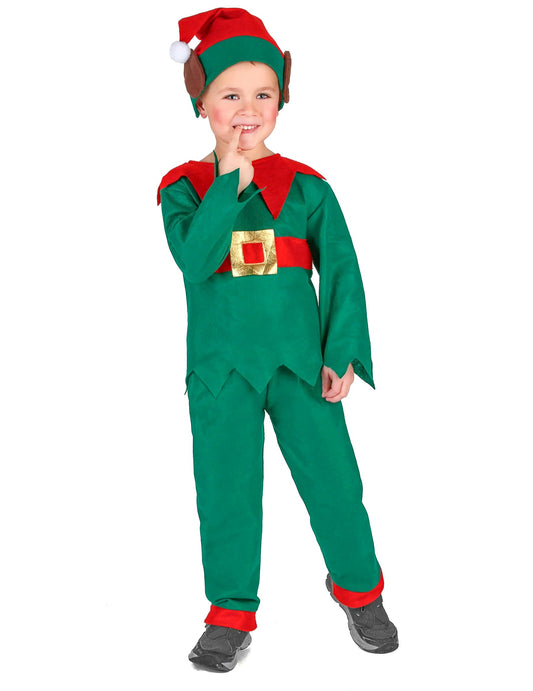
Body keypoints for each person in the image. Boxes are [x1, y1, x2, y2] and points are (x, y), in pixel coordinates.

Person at [157, 8, 398, 673]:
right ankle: (229, 612)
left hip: (301, 366)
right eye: (230, 94)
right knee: (226, 492)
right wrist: (230, 180)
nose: (248, 109)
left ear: (282, 99)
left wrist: (341, 352)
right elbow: (195, 260)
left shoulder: (309, 188)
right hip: (220, 371)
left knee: (334, 482)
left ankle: (360, 589)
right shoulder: (182, 188)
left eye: (263, 94)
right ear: (200, 101)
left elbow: (342, 270)